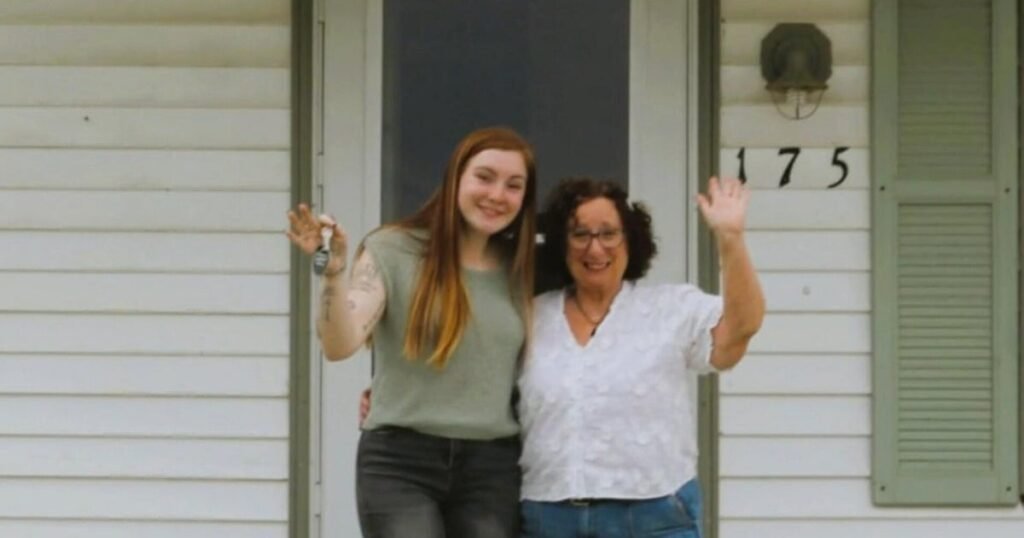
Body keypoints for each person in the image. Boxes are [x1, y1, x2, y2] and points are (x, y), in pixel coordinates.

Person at [287, 126, 538, 538]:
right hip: (401, 461)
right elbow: (339, 345)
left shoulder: (523, 269)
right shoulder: (393, 249)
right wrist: (332, 275)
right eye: (485, 177)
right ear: (455, 179)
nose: (497, 195)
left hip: (491, 467)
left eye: (514, 185)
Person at [516, 176, 764, 538]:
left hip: (653, 517)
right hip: (548, 519)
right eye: (580, 234)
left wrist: (731, 239)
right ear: (561, 243)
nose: (595, 249)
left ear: (630, 240)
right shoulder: (530, 317)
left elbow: (740, 329)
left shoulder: (670, 308)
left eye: (608, 234)